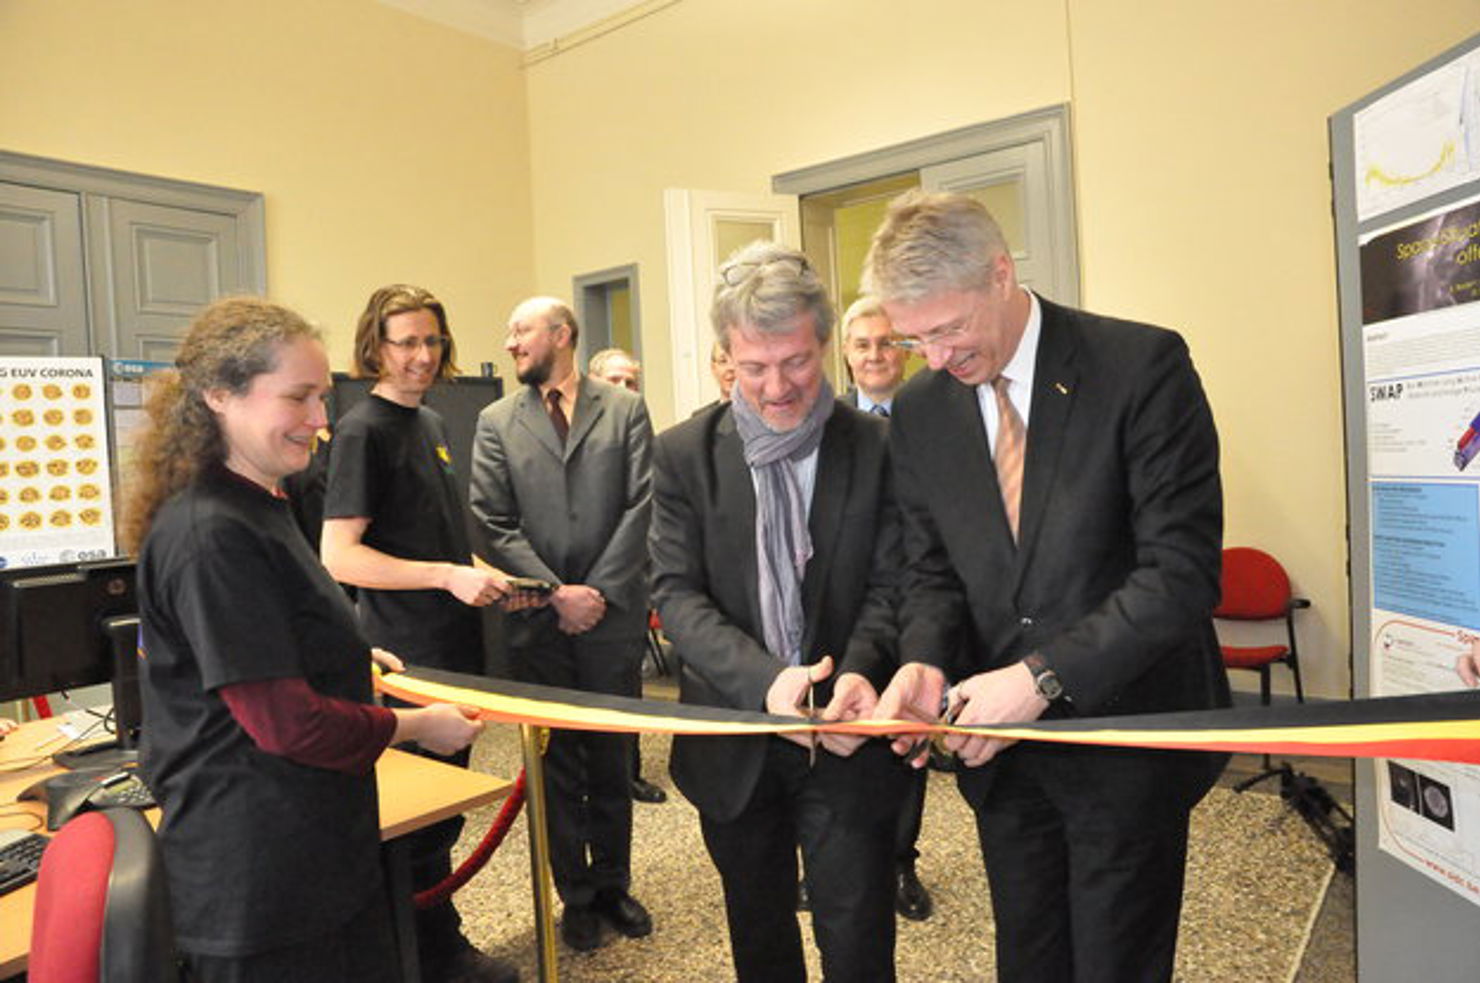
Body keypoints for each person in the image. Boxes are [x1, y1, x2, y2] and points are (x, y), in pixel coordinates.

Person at [866, 191, 1230, 983]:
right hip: (1002, 759)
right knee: (1029, 959)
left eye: (949, 328)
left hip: (1125, 737)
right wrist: (925, 660)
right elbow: (929, 569)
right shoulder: (924, 407)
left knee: (1116, 962)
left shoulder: (1138, 366)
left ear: (1001, 273)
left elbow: (1181, 572)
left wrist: (1040, 677)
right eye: (913, 336)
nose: (934, 357)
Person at [122, 296, 484, 982]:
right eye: (297, 398)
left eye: (321, 396)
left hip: (312, 852)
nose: (320, 422)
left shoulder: (263, 501)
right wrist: (419, 726)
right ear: (219, 394)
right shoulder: (210, 533)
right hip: (259, 882)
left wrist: (344, 654)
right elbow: (287, 723)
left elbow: (272, 634)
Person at [650, 241, 907, 982]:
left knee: (857, 941)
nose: (776, 386)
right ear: (727, 354)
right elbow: (676, 592)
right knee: (759, 939)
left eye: (795, 362)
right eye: (752, 366)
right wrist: (769, 682)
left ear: (824, 344)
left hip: (850, 738)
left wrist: (848, 677)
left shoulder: (879, 447)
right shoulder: (684, 454)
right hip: (736, 741)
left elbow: (894, 583)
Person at [320, 284, 523, 983]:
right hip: (405, 655)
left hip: (453, 643)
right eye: (405, 342)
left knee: (443, 816)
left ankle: (435, 942)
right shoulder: (361, 430)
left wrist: (480, 573)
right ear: (375, 345)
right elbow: (340, 555)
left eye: (431, 341)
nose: (421, 355)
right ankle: (428, 952)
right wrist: (445, 576)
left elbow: (430, 536)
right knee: (415, 823)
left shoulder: (431, 424)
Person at [469, 297, 655, 953]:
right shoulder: (496, 421)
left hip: (610, 620)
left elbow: (641, 503)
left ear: (561, 335)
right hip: (535, 624)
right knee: (557, 767)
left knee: (609, 758)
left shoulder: (625, 408)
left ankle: (613, 884)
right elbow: (491, 520)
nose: (511, 340)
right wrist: (557, 592)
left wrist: (594, 592)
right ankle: (573, 894)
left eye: (521, 330)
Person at [836, 294, 933, 921]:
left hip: (920, 603)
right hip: (853, 609)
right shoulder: (829, 424)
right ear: (844, 355)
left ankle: (901, 861)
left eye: (885, 343)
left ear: (905, 351)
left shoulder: (934, 416)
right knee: (842, 738)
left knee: (906, 742)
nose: (874, 354)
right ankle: (836, 862)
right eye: (861, 344)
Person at [586, 345, 669, 806]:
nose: (624, 390)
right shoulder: (580, 438)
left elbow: (652, 513)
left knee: (627, 683)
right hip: (579, 588)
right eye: (613, 381)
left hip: (633, 583)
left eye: (631, 381)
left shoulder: (646, 436)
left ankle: (627, 773)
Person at [839, 295, 908, 418]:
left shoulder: (936, 413)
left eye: (886, 344)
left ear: (906, 350)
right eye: (863, 346)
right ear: (847, 353)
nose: (874, 357)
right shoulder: (826, 420)